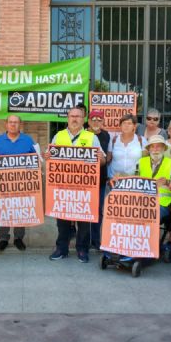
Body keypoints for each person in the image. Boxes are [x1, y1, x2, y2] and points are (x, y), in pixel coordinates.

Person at [45, 106, 106, 263]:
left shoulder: (91, 137)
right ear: (67, 118)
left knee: (84, 221)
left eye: (78, 116)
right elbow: (51, 160)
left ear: (83, 119)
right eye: (72, 116)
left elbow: (102, 161)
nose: (74, 119)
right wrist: (47, 157)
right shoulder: (58, 136)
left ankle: (82, 249)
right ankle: (61, 249)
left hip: (84, 188)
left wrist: (100, 158)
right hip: (63, 188)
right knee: (62, 220)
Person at [0, 115, 37, 252]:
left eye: (16, 122)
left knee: (19, 209)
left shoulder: (28, 140)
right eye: (10, 122)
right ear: (6, 124)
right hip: (3, 184)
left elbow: (35, 159)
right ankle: (3, 238)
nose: (13, 125)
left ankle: (18, 238)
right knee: (4, 210)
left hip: (22, 183)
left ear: (20, 124)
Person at [138, 135, 171, 256]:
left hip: (163, 203)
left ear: (164, 148)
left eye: (159, 146)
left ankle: (149, 245)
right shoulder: (141, 162)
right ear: (149, 149)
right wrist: (120, 176)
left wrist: (168, 182)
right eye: (153, 146)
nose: (156, 149)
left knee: (148, 215)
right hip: (142, 201)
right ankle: (135, 244)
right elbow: (133, 178)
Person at [87, 109, 111, 250]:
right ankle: (83, 238)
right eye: (93, 119)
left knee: (98, 211)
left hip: (100, 179)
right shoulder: (83, 134)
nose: (96, 122)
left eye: (99, 119)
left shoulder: (106, 135)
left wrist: (101, 160)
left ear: (103, 122)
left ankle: (95, 240)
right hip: (83, 181)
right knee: (85, 210)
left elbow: (108, 155)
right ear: (89, 121)